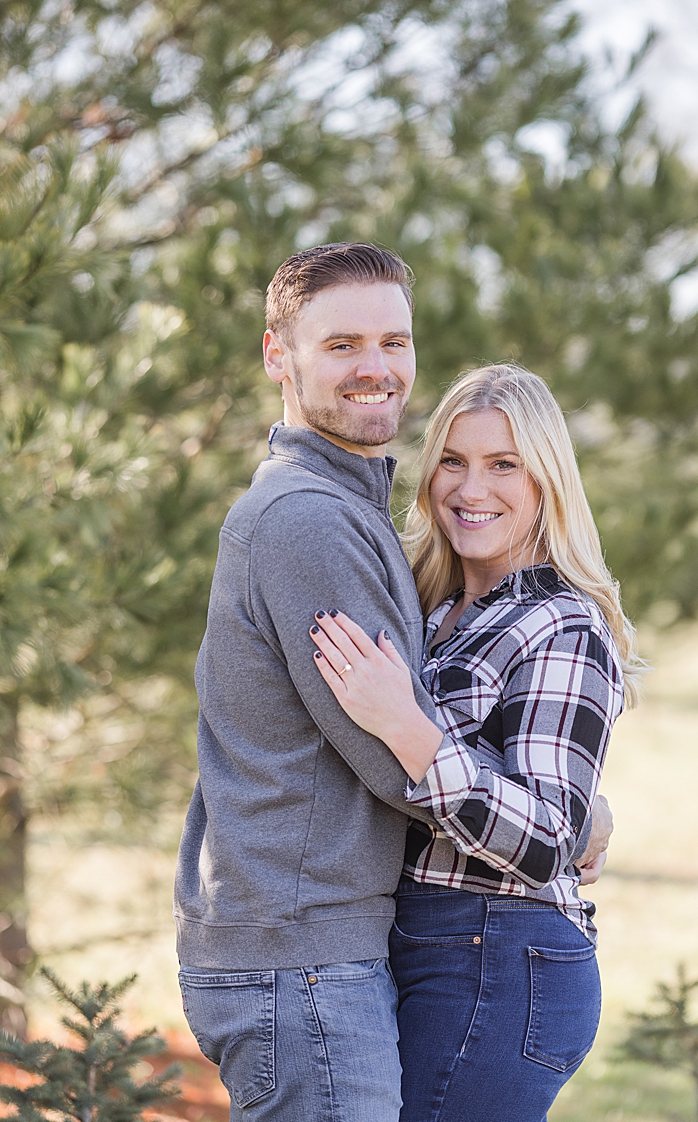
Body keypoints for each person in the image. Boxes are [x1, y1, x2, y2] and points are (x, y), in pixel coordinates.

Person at [174, 244, 609, 1121]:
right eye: (341, 345)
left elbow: (519, 788)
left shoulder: (529, 607)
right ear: (278, 355)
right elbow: (387, 760)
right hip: (307, 948)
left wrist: (573, 814)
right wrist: (566, 821)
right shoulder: (316, 523)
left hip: (458, 948)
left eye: (393, 342)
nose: (375, 368)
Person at [306, 364, 644, 1122]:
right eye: (453, 462)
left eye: (503, 465)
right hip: (430, 943)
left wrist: (408, 728)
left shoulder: (560, 623)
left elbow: (549, 839)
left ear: (546, 480)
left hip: (498, 955)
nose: (471, 489)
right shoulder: (429, 606)